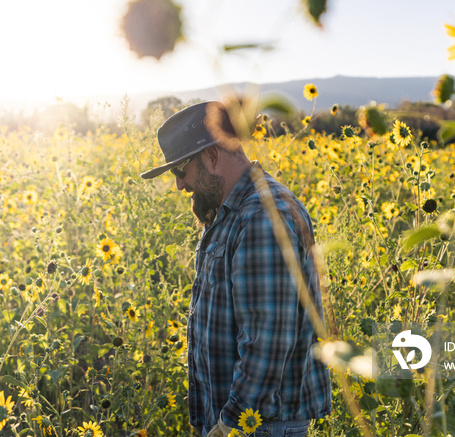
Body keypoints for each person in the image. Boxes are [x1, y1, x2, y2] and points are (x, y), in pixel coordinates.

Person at [140, 101, 332, 436]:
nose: (180, 185)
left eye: (179, 170)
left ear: (212, 157)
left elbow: (267, 341)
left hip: (257, 426)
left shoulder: (260, 215)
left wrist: (229, 425)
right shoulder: (234, 209)